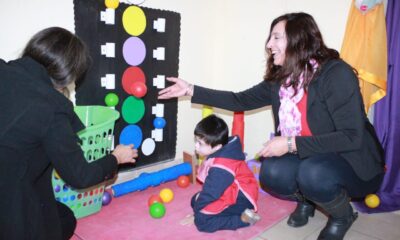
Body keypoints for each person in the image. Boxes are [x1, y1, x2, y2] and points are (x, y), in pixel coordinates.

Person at [159, 12, 384, 240]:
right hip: (311, 155)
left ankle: (342, 216)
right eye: (270, 38)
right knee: (271, 171)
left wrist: (289, 143)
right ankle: (306, 201)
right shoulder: (282, 80)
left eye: (276, 37)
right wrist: (191, 90)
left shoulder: (335, 74)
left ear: (299, 39)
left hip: (352, 161)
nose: (269, 45)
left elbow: (351, 137)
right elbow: (240, 100)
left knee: (313, 173)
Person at [0, 27, 138, 240]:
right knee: (64, 222)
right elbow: (80, 176)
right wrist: (116, 157)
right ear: (66, 75)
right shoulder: (52, 108)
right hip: (11, 205)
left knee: (61, 214)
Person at [188, 114, 260, 232]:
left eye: (200, 143)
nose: (196, 146)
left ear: (217, 147)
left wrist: (197, 213)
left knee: (202, 221)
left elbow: (211, 193)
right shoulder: (221, 150)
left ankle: (243, 219)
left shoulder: (221, 168)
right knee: (194, 200)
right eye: (196, 140)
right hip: (229, 190)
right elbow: (212, 189)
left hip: (242, 199)